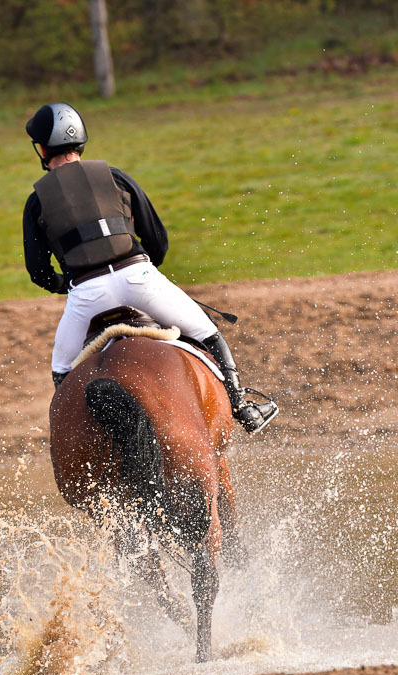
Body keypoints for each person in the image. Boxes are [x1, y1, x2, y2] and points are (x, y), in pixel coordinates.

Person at [23, 102, 278, 433]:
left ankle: (85, 435)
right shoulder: (115, 177)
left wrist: (65, 283)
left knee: (62, 370)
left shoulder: (37, 200)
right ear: (81, 143)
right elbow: (157, 240)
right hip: (139, 280)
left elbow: (38, 272)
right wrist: (145, 271)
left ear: (42, 149)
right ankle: (242, 407)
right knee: (208, 334)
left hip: (87, 295)